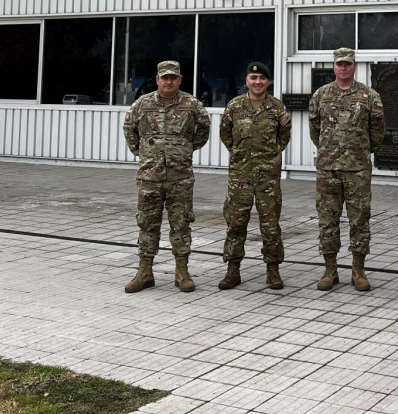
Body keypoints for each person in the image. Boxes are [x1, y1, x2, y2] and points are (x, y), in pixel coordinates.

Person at [121, 60, 210, 293]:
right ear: (157, 79)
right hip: (150, 176)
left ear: (180, 79)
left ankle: (182, 273)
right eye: (165, 77)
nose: (169, 81)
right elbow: (129, 129)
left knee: (181, 224)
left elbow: (202, 132)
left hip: (180, 177)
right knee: (147, 223)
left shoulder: (192, 105)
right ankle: (144, 272)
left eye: (173, 77)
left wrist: (183, 151)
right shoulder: (143, 104)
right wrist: (144, 154)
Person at [308, 47, 386, 291]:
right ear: (334, 66)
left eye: (348, 64)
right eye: (339, 64)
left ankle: (358, 271)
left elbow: (378, 132)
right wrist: (329, 151)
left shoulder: (369, 96)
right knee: (327, 221)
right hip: (328, 169)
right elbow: (315, 130)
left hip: (357, 170)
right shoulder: (321, 95)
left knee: (360, 221)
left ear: (354, 66)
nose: (343, 68)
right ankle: (330, 271)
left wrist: (360, 151)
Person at [218, 61, 291, 290]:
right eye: (253, 78)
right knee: (236, 223)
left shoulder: (277, 108)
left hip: (267, 177)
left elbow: (284, 136)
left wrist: (268, 157)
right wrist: (241, 156)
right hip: (240, 177)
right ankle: (232, 270)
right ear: (247, 81)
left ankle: (273, 269)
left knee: (270, 224)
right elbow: (226, 135)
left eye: (262, 79)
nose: (258, 82)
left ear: (268, 82)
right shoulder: (234, 106)